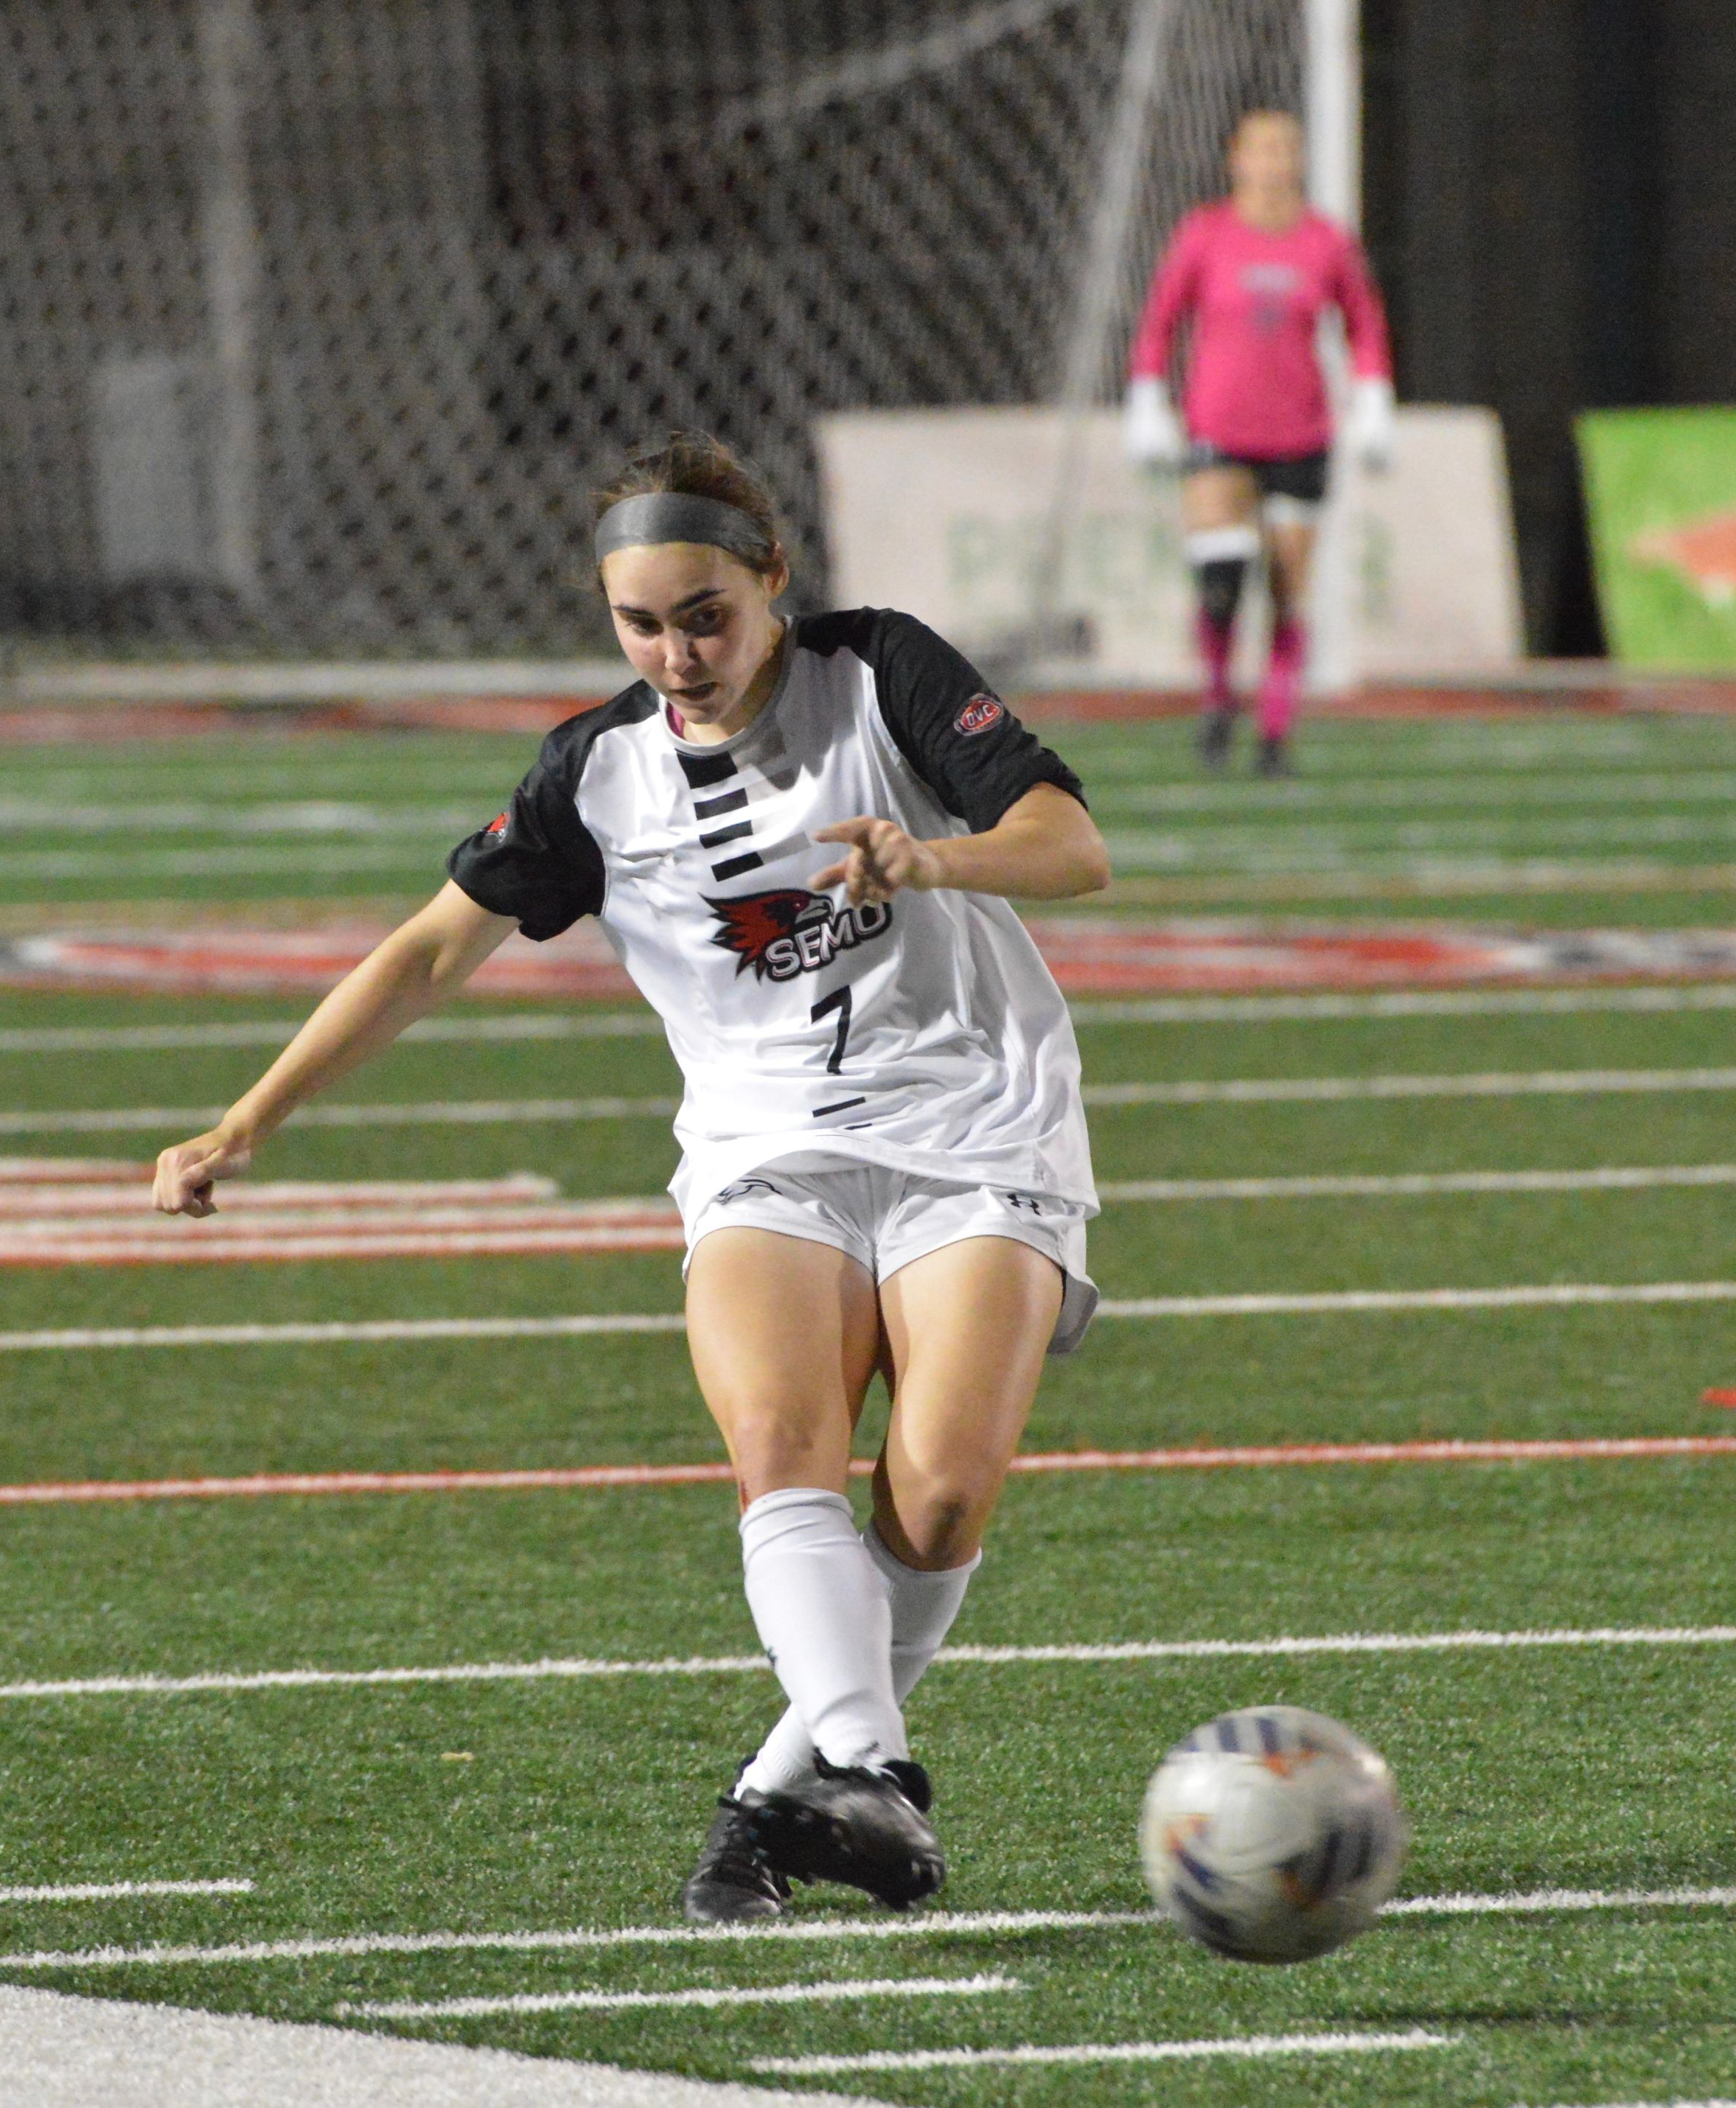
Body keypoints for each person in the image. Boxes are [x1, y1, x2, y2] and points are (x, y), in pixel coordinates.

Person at [153, 433, 1110, 1924]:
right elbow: (426, 948)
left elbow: (1071, 845)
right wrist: (247, 1120)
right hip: (763, 1150)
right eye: (642, 623)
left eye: (707, 615)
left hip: (977, 1126)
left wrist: (931, 859)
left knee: (939, 1491)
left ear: (773, 581)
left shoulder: (882, 674)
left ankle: (765, 1807)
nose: (679, 653)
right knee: (781, 1435)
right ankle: (871, 1766)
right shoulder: (595, 775)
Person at [1125, 106, 1396, 776]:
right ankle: (1218, 702)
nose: (1274, 162)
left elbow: (1364, 324)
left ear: (1300, 160)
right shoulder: (1205, 233)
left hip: (1301, 434)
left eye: (1286, 149)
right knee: (1220, 582)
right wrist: (1147, 396)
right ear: (1236, 159)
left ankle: (1275, 736)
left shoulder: (1326, 242)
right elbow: (1160, 319)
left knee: (1285, 588)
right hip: (1220, 430)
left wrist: (1372, 396)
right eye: (1261, 149)